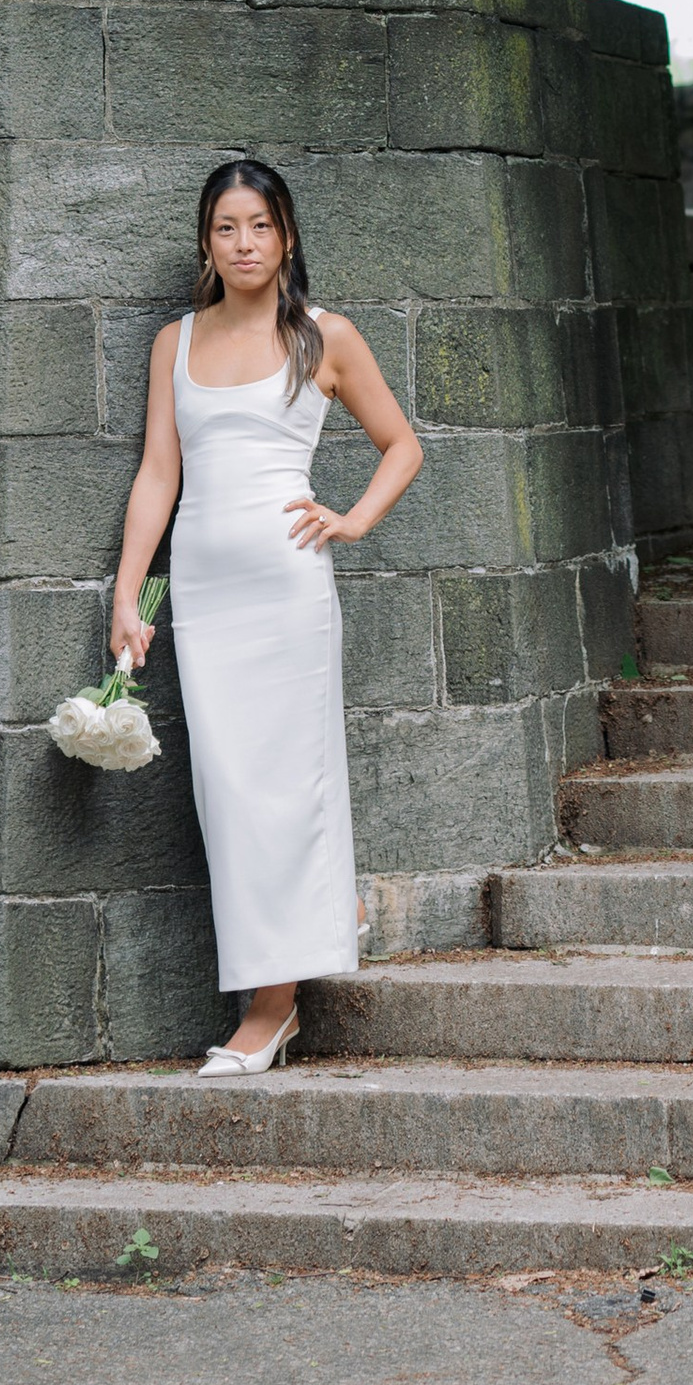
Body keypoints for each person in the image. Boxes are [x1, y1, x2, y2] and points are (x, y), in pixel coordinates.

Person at [110, 155, 423, 1070]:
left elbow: (401, 443)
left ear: (285, 233)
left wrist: (353, 516)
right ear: (206, 242)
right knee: (230, 792)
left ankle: (270, 1010)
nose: (244, 242)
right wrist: (127, 594)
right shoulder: (175, 342)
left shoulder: (325, 337)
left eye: (259, 224)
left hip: (289, 598)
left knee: (287, 785)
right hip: (206, 598)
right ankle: (311, 932)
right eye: (225, 227)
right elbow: (158, 476)